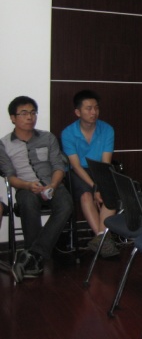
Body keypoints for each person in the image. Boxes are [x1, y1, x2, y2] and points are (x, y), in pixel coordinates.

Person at [0, 96, 73, 282]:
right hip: (25, 187)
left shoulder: (48, 137)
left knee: (66, 204)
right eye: (24, 113)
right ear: (13, 118)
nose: (30, 117)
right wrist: (27, 185)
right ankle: (35, 259)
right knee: (27, 201)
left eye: (33, 113)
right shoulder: (4, 144)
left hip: (52, 184)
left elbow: (58, 166)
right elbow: (10, 177)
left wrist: (53, 185)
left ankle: (32, 255)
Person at [61, 90, 118, 257]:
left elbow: (105, 163)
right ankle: (104, 239)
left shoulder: (107, 129)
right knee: (86, 195)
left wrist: (101, 185)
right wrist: (95, 187)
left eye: (96, 108)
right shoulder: (68, 133)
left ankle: (100, 239)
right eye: (88, 108)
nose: (94, 112)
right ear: (78, 112)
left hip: (99, 169)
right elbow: (76, 166)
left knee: (110, 193)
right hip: (78, 172)